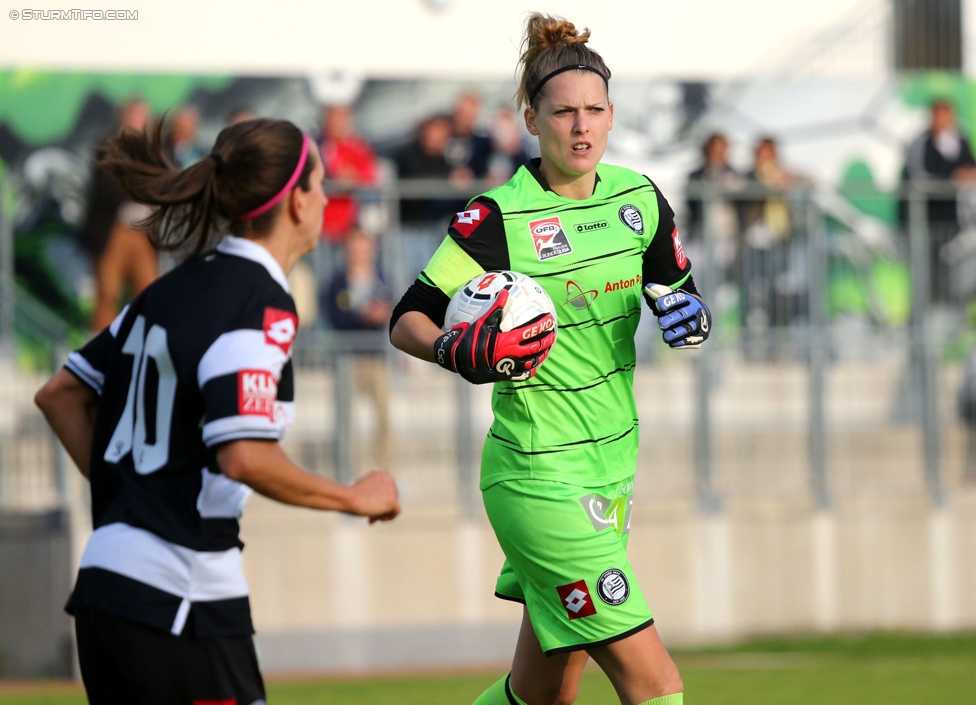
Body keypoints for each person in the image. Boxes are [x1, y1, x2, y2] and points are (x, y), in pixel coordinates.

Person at [389, 13, 709, 705]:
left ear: (612, 114)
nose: (581, 126)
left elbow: (678, 295)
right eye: (563, 112)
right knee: (657, 687)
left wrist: (691, 317)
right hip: (537, 477)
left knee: (543, 692)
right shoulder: (496, 216)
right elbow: (406, 317)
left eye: (594, 110)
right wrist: (451, 346)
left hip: (613, 469)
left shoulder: (639, 201)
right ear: (531, 119)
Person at [34, 117, 400, 705]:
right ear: (299, 203)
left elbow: (60, 395)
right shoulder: (259, 302)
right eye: (322, 184)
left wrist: (132, 495)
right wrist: (352, 497)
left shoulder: (168, 289)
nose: (329, 198)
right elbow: (244, 455)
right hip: (181, 596)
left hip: (105, 586)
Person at [80, 97, 159, 331]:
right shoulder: (106, 147)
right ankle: (101, 351)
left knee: (148, 292)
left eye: (141, 115)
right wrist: (136, 194)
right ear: (122, 118)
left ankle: (143, 348)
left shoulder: (153, 151)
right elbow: (104, 185)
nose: (136, 120)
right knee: (107, 292)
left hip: (143, 232)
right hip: (113, 229)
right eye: (132, 114)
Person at [321, 227, 395, 472]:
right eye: (354, 248)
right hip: (347, 360)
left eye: (363, 247)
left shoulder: (382, 277)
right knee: (347, 421)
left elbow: (393, 308)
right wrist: (362, 316)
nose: (359, 253)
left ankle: (385, 471)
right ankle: (348, 471)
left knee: (383, 419)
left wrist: (381, 314)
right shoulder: (337, 282)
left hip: (376, 359)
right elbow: (334, 317)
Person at [901, 98, 976, 304]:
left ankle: (956, 307)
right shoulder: (920, 142)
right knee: (929, 267)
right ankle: (932, 306)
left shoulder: (961, 140)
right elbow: (918, 175)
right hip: (927, 218)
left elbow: (969, 167)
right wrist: (952, 177)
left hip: (955, 219)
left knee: (956, 266)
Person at [318, 103, 380, 242]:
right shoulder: (318, 146)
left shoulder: (358, 146)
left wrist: (353, 177)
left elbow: (370, 175)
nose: (337, 123)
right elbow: (333, 174)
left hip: (350, 224)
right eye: (333, 117)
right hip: (322, 223)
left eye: (341, 117)